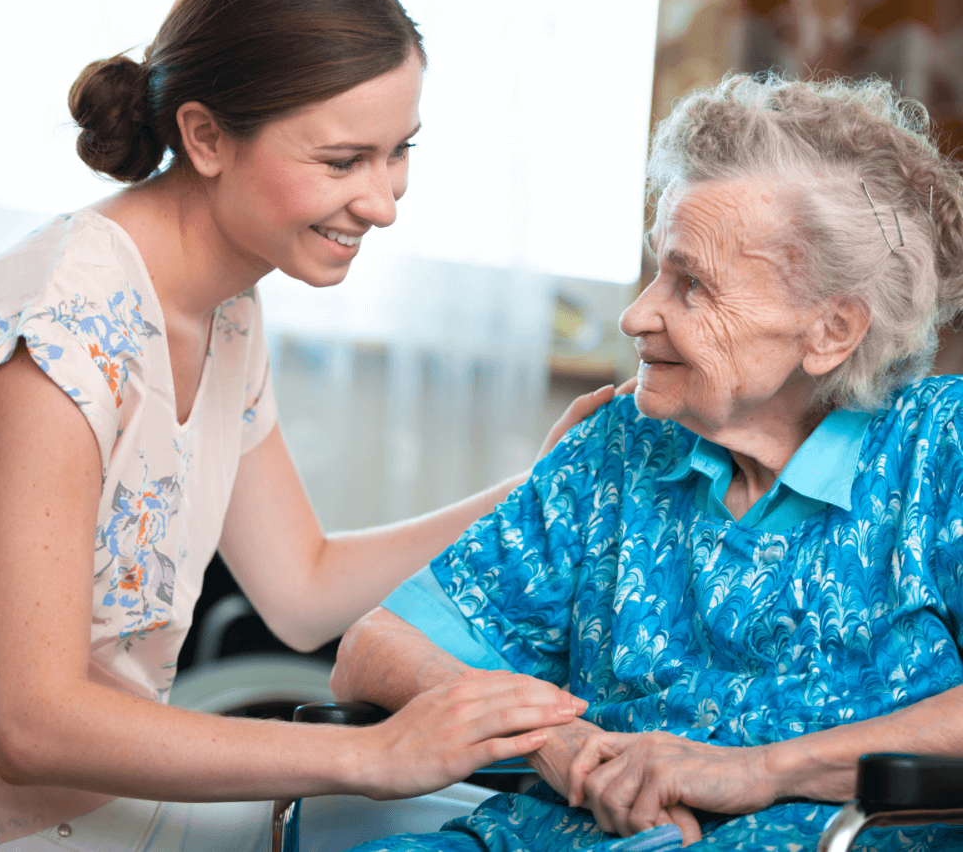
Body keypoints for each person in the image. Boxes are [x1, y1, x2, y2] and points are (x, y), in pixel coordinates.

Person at [0, 0, 623, 848]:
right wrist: (374, 754)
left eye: (400, 153)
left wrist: (542, 484)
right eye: (343, 159)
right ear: (205, 138)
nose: (384, 202)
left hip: (104, 815)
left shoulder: (226, 302)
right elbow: (33, 726)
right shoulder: (64, 330)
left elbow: (302, 589)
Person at [332, 71, 963, 852]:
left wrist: (762, 769)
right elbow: (372, 649)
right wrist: (550, 741)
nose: (637, 316)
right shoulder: (622, 442)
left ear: (831, 330)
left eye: (691, 284)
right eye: (656, 269)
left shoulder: (940, 451)